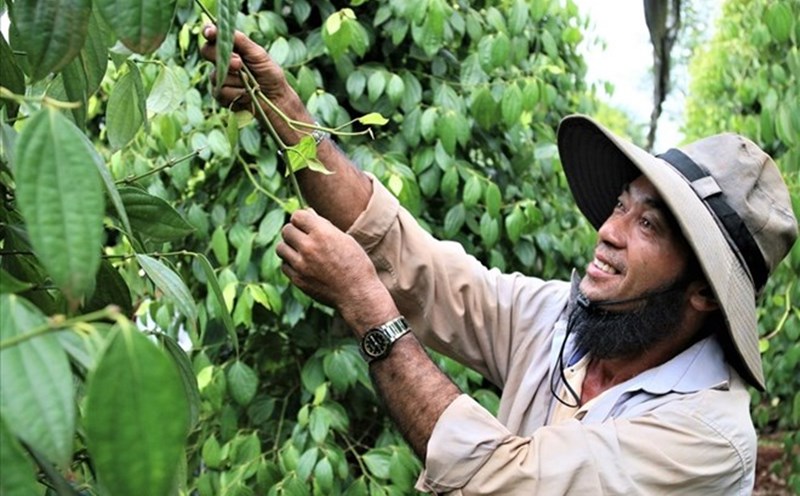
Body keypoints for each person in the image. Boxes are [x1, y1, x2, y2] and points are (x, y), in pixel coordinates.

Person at [201, 27, 798, 494]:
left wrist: (366, 307)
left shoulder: (706, 437)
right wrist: (285, 112)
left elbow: (505, 482)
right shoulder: (562, 323)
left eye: (649, 225)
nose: (607, 233)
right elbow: (415, 264)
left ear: (703, 291)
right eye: (620, 206)